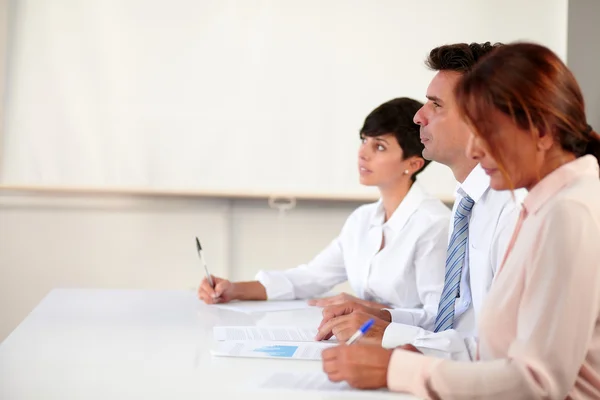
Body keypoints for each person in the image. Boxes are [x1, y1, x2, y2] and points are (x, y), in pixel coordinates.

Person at [322, 42, 600, 398]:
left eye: (486, 130)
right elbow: (487, 348)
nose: (474, 149)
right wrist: (394, 337)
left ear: (541, 133)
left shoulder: (567, 212)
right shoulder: (543, 207)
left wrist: (397, 369)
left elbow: (536, 382)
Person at [316, 42, 523, 360]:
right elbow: (454, 322)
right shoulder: (468, 203)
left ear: (479, 120)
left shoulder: (513, 212)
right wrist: (385, 320)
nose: (418, 116)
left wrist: (390, 339)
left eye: (436, 105)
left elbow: (503, 354)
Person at [198, 97, 450, 331]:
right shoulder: (362, 219)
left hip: (410, 352)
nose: (363, 153)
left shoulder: (433, 225)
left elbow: (439, 317)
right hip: (362, 339)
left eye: (380, 146)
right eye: (364, 140)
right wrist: (234, 290)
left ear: (413, 164)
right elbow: (311, 277)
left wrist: (372, 310)